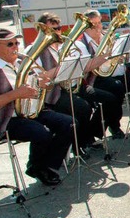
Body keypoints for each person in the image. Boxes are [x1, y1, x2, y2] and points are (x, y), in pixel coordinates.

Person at [0, 28, 73, 186]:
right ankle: (39, 167)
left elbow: (38, 85)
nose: (15, 47)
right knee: (41, 133)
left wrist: (41, 84)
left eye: (16, 43)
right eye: (10, 44)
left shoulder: (21, 62)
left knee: (68, 123)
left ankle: (46, 165)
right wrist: (16, 94)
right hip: (5, 119)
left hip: (29, 111)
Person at [29, 13, 96, 154]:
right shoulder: (33, 50)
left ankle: (83, 142)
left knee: (87, 102)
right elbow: (37, 77)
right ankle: (77, 146)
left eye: (59, 28)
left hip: (63, 89)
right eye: (52, 30)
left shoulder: (59, 48)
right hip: (47, 97)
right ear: (42, 31)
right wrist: (61, 68)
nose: (57, 32)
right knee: (82, 108)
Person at [75, 10, 126, 139]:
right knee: (112, 94)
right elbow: (87, 67)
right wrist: (107, 56)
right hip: (90, 79)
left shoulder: (104, 36)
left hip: (106, 74)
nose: (99, 26)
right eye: (94, 24)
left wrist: (118, 57)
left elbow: (112, 58)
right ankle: (96, 130)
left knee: (122, 85)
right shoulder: (81, 43)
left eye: (99, 23)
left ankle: (114, 124)